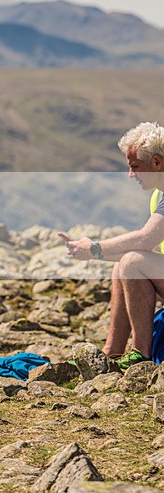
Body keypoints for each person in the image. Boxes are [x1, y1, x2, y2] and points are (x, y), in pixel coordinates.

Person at [60, 121, 164, 371]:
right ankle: (112, 352)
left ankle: (141, 354)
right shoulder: (159, 193)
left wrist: (95, 248)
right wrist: (91, 253)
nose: (131, 174)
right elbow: (145, 248)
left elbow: (145, 240)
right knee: (123, 265)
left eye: (135, 166)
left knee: (131, 262)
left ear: (157, 162)